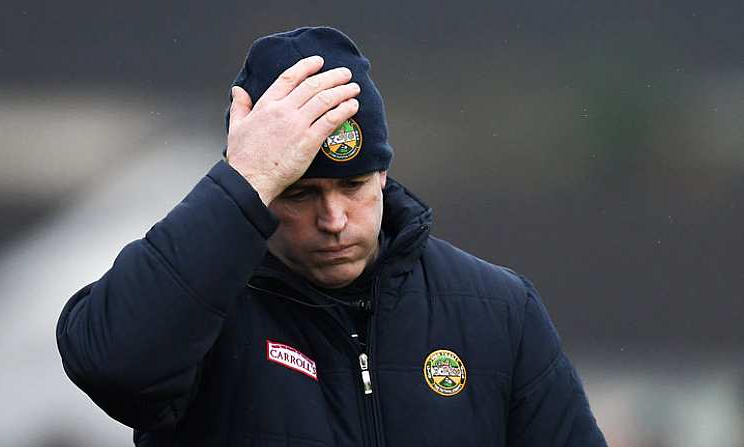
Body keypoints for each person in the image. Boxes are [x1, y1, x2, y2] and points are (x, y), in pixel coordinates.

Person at [56, 26, 607, 446]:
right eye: (300, 193)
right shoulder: (203, 311)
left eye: (354, 185)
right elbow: (112, 365)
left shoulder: (498, 310)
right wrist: (241, 180)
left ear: (385, 175)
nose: (335, 218)